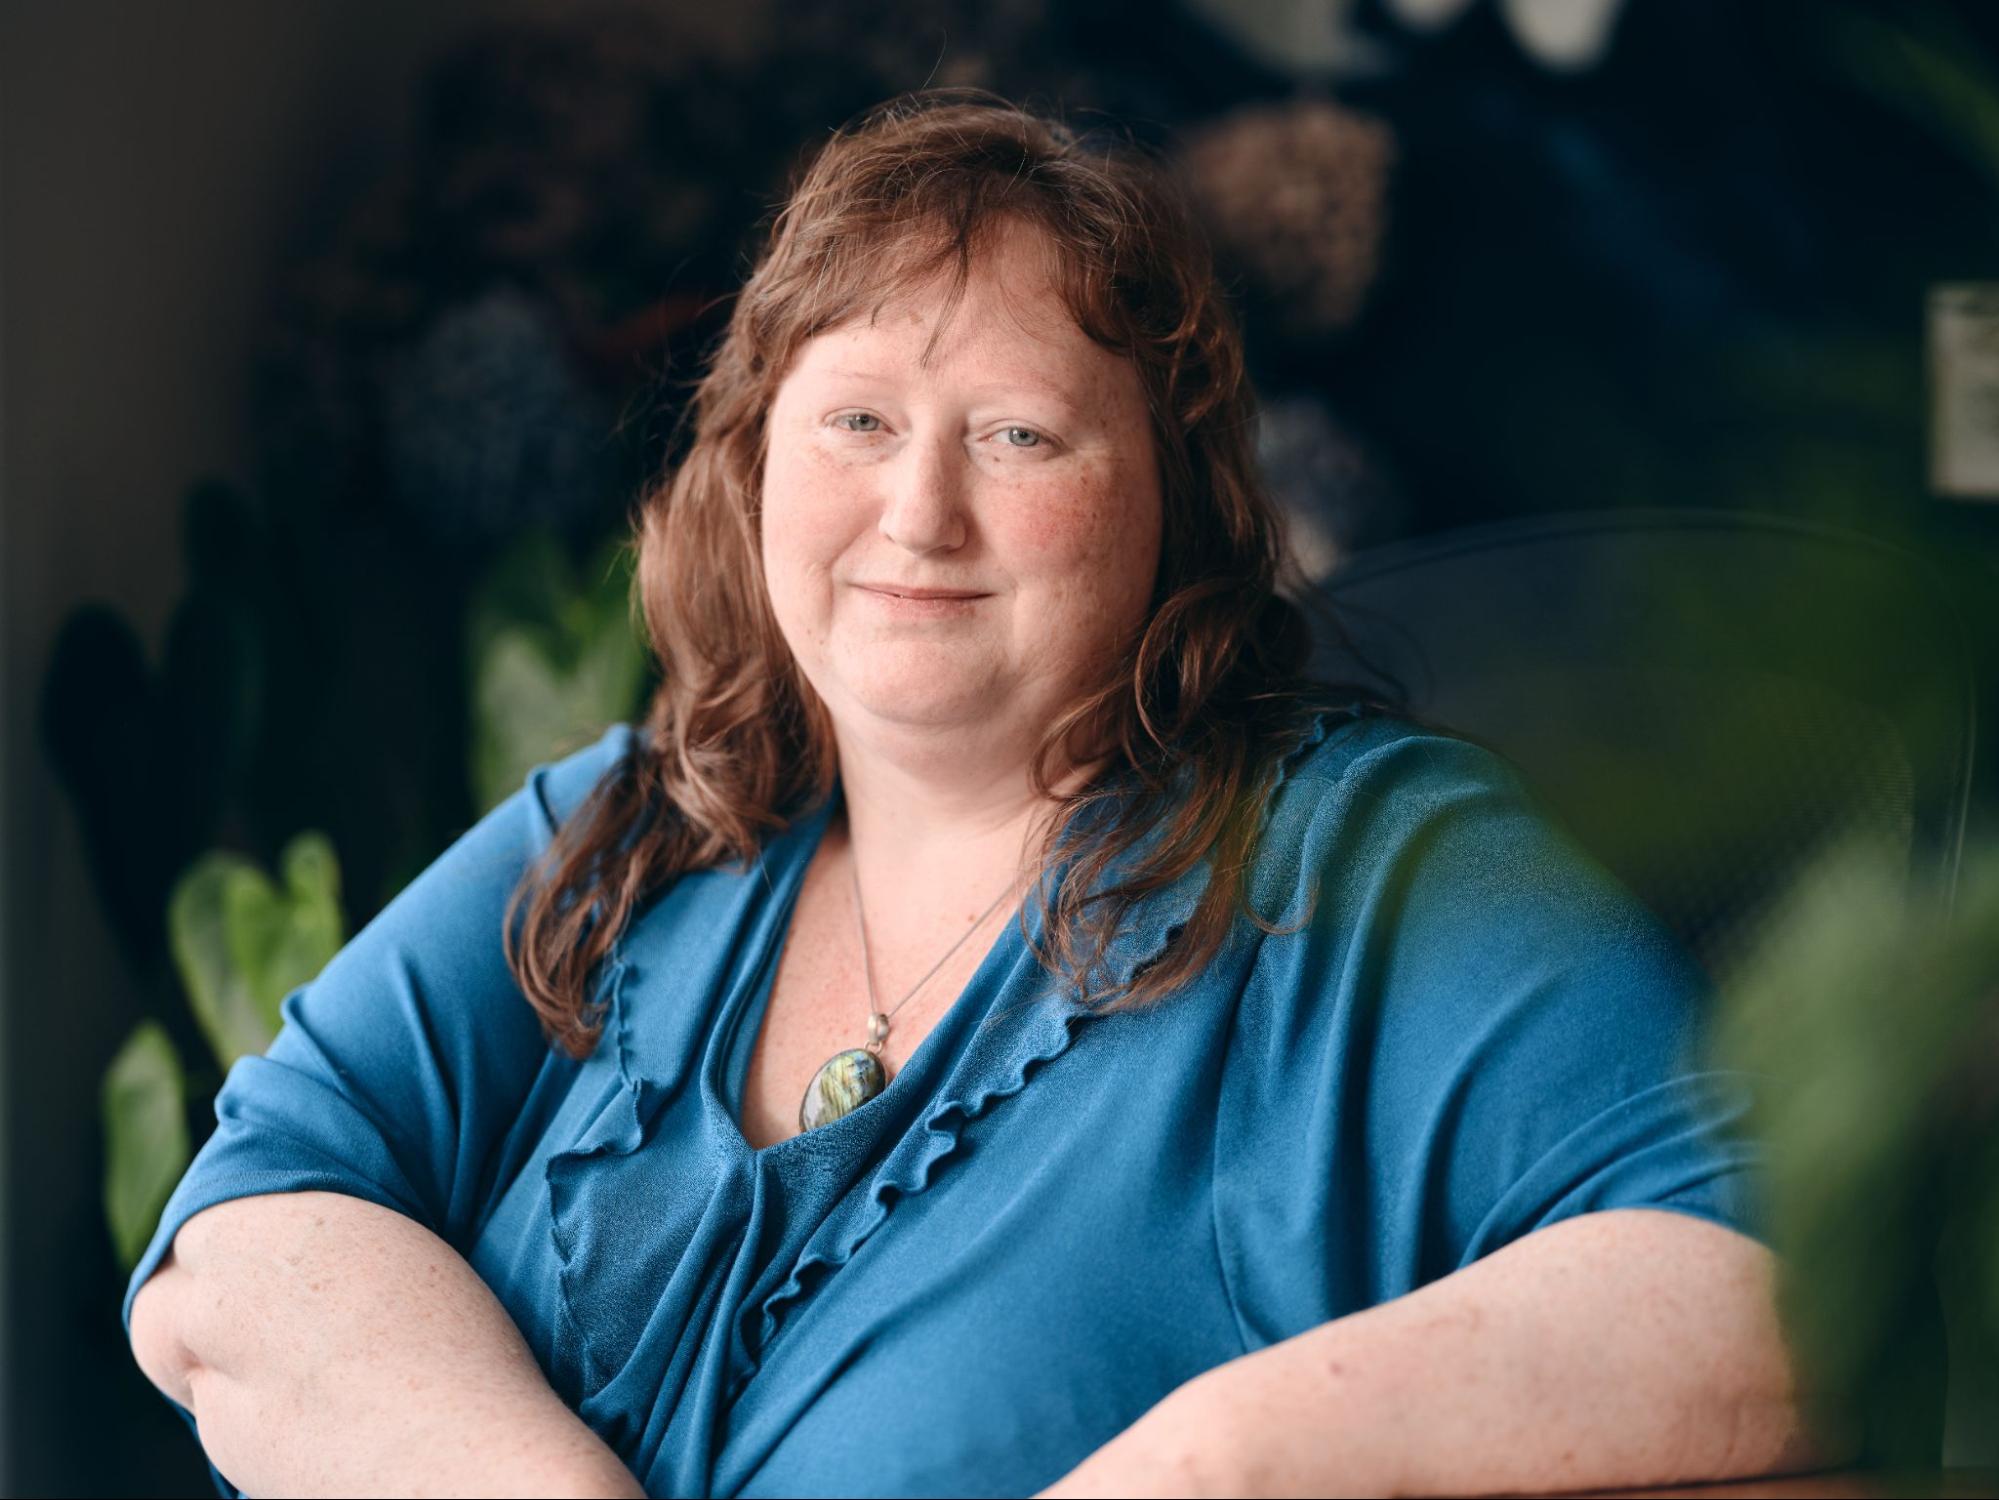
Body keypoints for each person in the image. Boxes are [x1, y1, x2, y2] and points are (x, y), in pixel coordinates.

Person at [124, 90, 1817, 1498]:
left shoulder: (1353, 864)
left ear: (1177, 497)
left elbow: (1783, 1288)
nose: (917, 514)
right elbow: (241, 1239)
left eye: (1018, 435)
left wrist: (1217, 1461)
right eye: (857, 417)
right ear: (754, 459)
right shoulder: (640, 824)